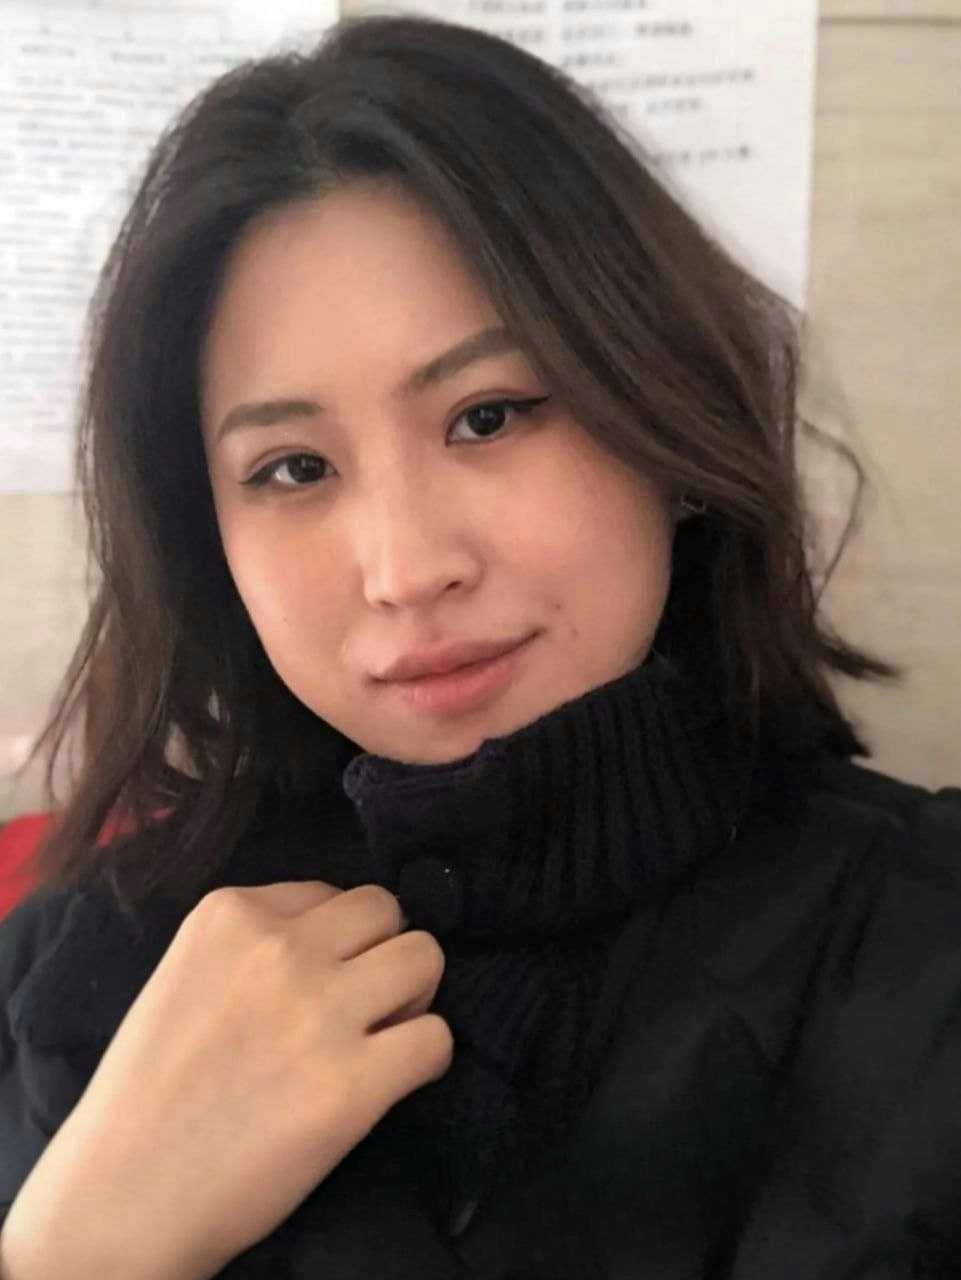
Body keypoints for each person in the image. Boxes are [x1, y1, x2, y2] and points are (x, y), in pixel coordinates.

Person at [1, 11, 959, 1279]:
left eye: (489, 416)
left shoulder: (915, 952)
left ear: (667, 415)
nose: (406, 569)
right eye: (293, 467)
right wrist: (79, 1246)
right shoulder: (86, 954)